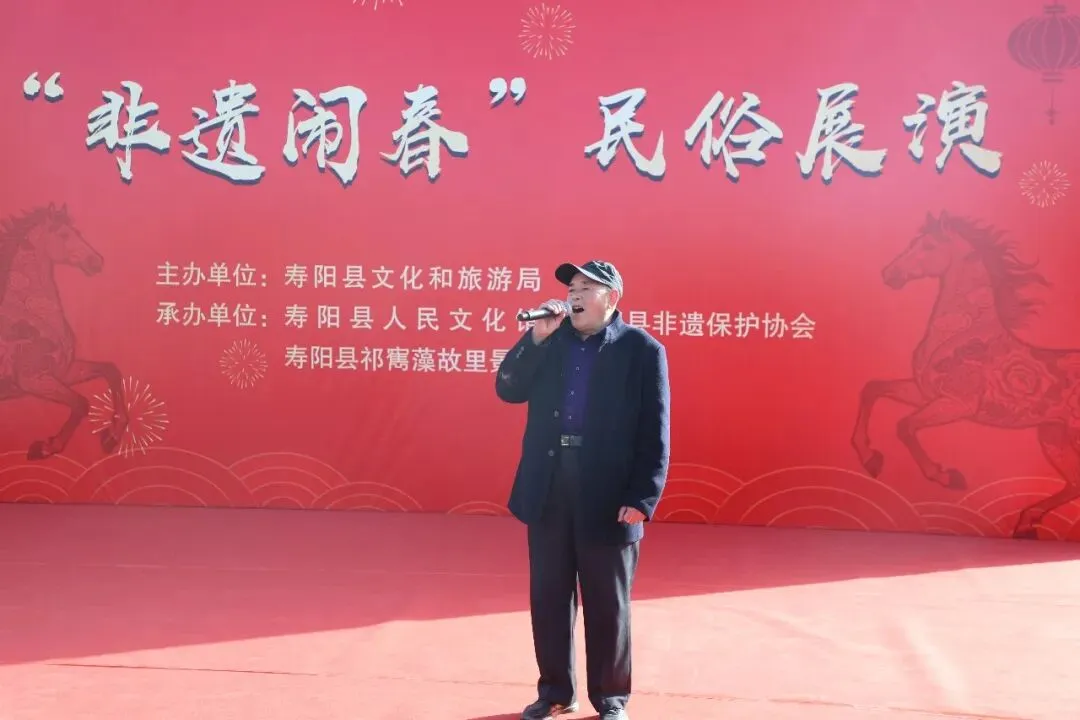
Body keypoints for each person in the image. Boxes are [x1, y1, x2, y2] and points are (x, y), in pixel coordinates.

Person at [494, 260, 671, 720]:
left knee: (608, 603)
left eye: (586, 288)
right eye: (571, 287)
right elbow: (508, 389)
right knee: (549, 597)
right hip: (550, 484)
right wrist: (535, 339)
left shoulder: (641, 350)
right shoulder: (549, 341)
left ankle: (611, 698)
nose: (574, 295)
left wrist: (642, 496)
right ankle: (556, 691)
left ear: (612, 298)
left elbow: (655, 430)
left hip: (609, 492)